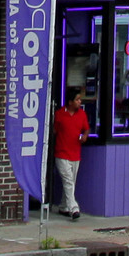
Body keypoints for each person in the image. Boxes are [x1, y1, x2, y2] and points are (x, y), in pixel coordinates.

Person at [50, 88, 90, 220]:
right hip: (61, 153)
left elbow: (86, 129)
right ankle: (74, 208)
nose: (80, 102)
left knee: (71, 181)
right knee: (68, 180)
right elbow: (54, 131)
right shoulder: (60, 114)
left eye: (80, 99)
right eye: (77, 99)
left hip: (75, 153)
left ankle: (63, 206)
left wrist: (84, 136)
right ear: (70, 102)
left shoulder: (82, 114)